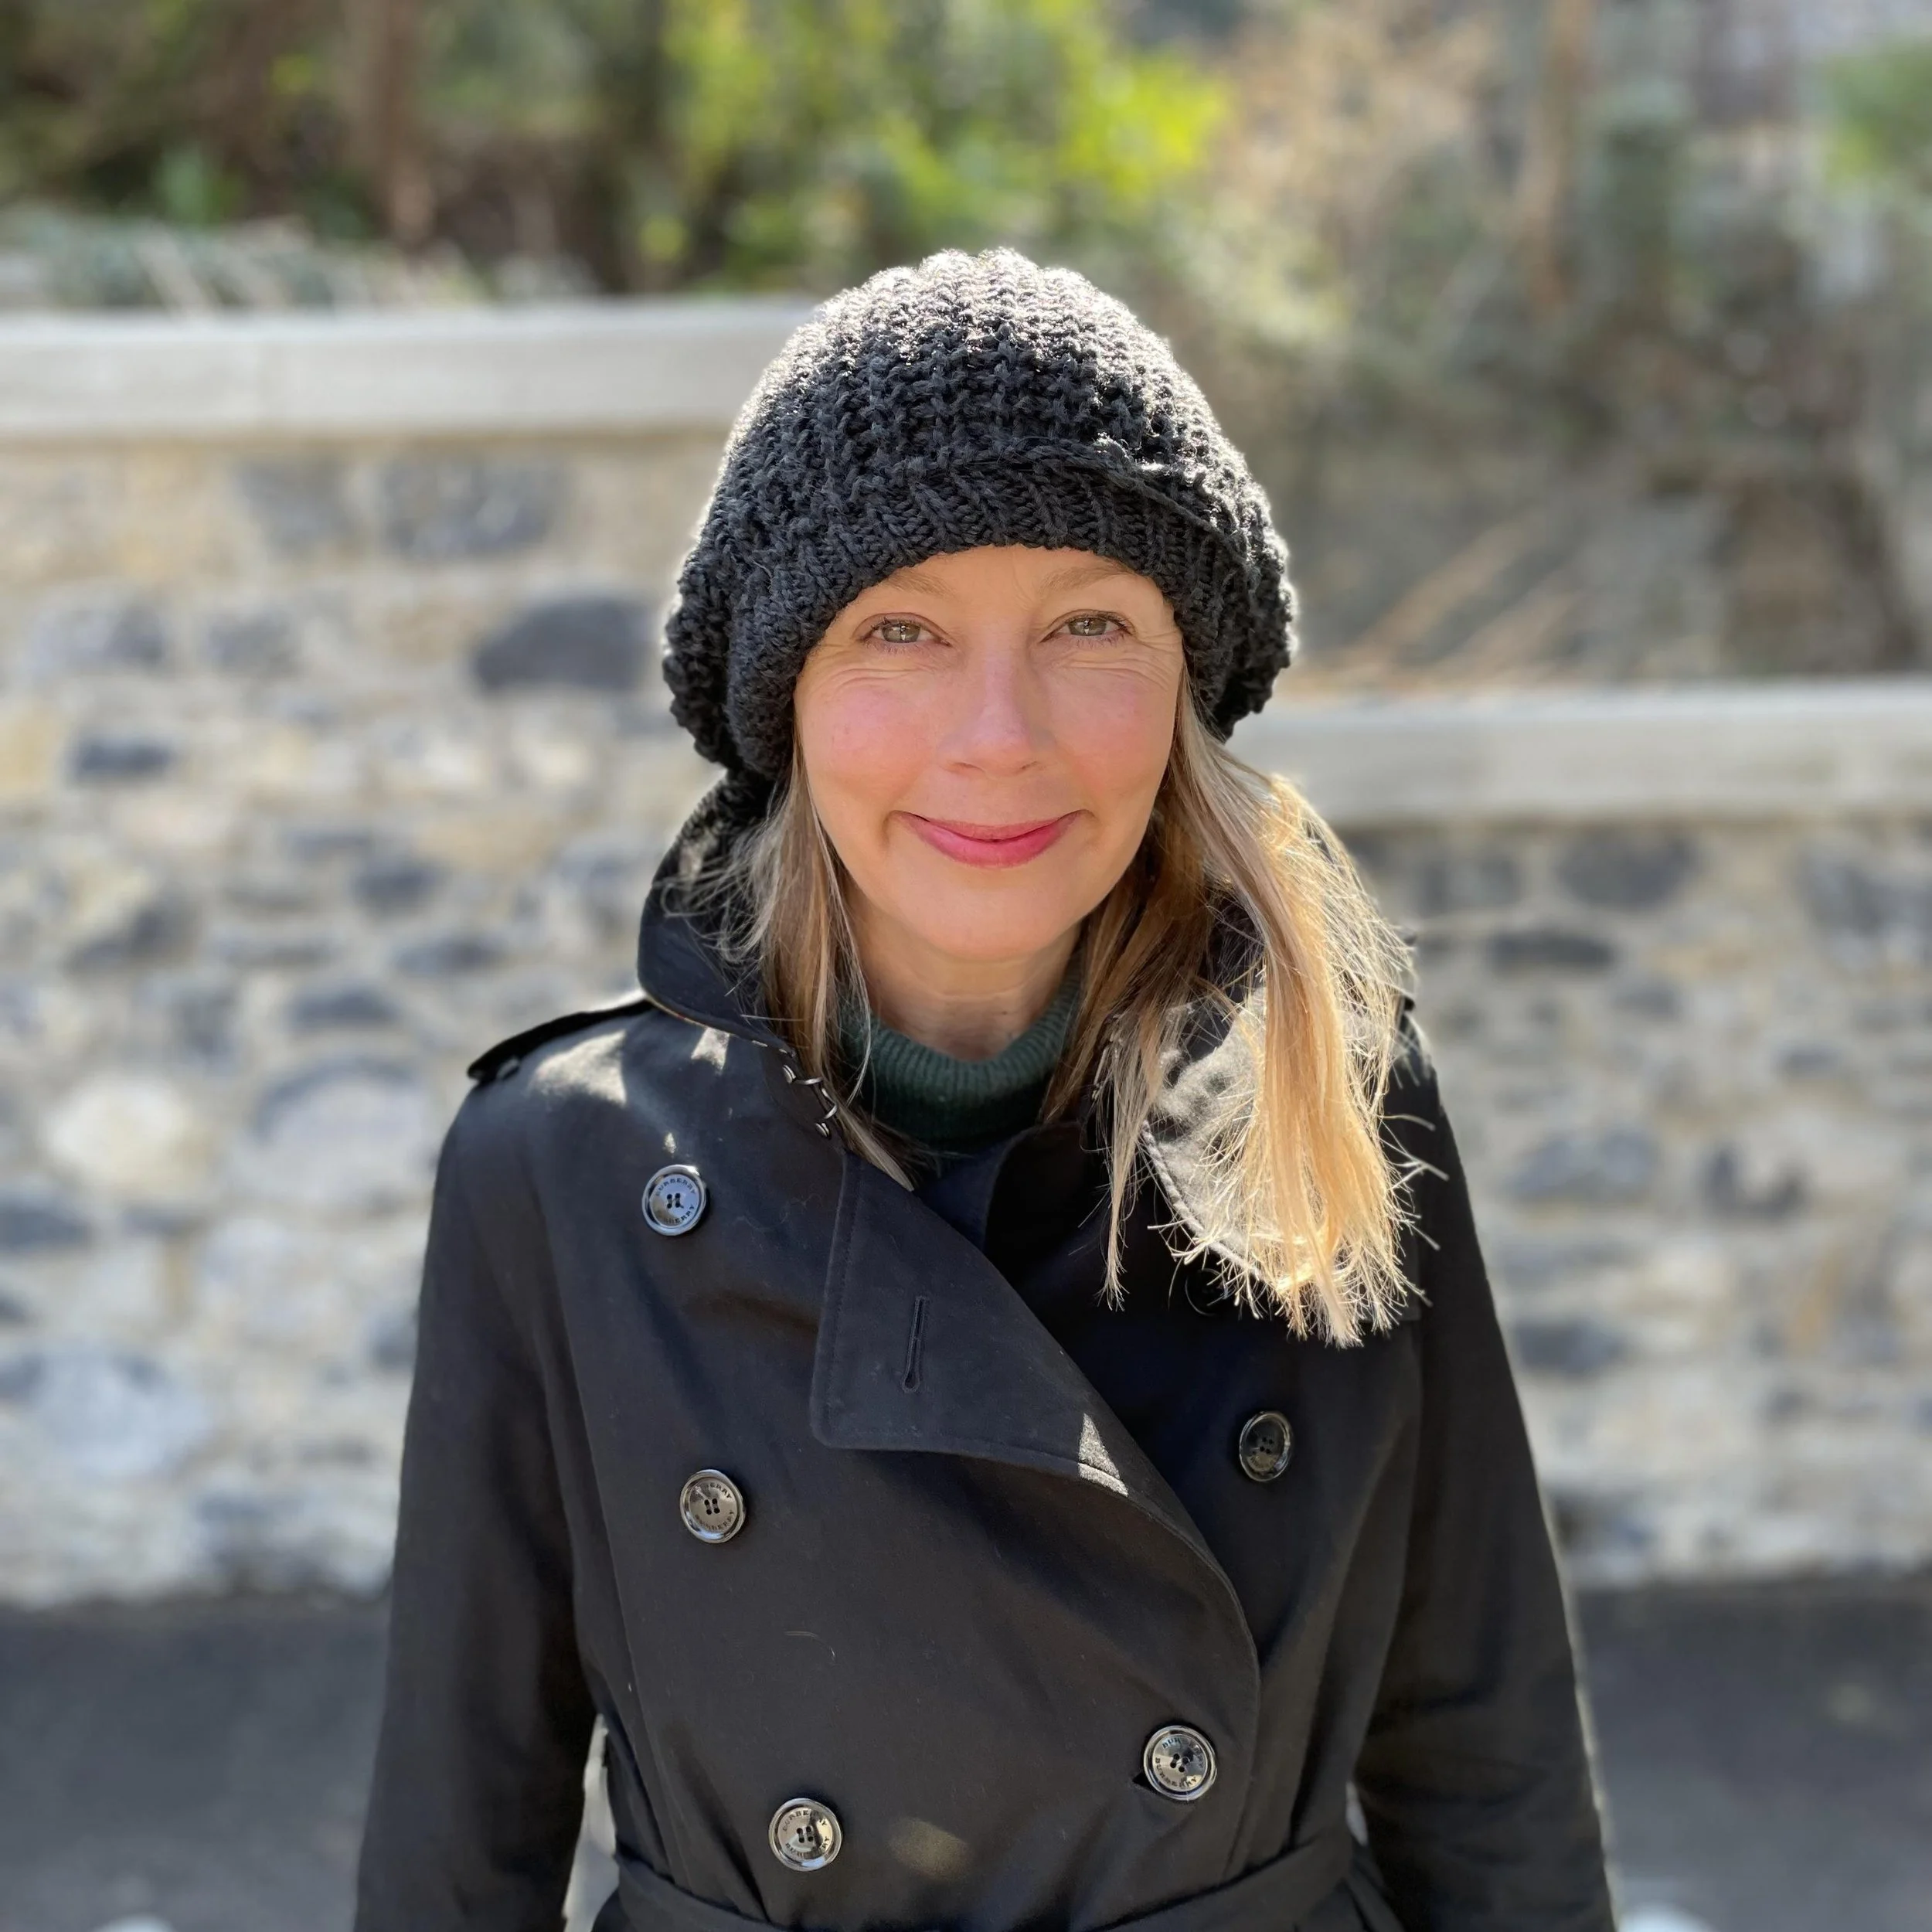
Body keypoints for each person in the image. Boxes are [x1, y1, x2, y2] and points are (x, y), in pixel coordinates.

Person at [355, 249, 1616, 1932]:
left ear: (1185, 680)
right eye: (899, 629)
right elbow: (460, 1832)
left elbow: (1483, 1741)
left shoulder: (1329, 1096)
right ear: (780, 696)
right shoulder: (554, 1170)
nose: (997, 733)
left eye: (1089, 621)